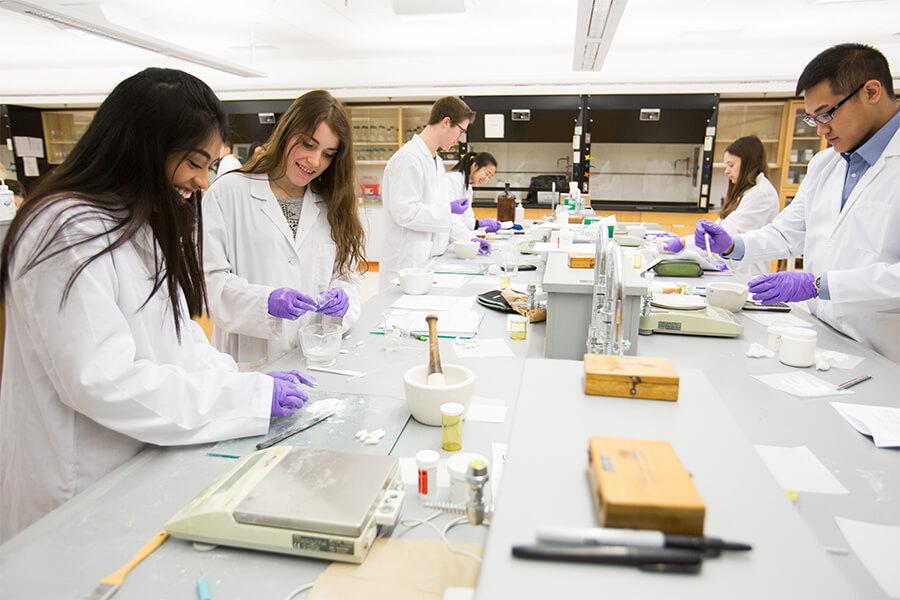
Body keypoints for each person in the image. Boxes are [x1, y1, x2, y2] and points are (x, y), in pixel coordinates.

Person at [0, 68, 314, 542]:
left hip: (141, 458)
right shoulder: (67, 228)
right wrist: (239, 399)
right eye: (194, 162)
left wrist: (239, 381)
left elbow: (178, 335)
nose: (204, 181)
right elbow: (100, 379)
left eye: (210, 165)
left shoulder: (138, 219)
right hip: (80, 483)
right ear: (144, 144)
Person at [698, 43, 900, 362]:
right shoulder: (825, 164)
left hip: (887, 354)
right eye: (812, 119)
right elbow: (787, 232)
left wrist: (821, 284)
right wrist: (733, 245)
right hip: (823, 338)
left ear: (872, 91)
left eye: (827, 113)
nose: (821, 129)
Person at [203, 90, 364, 365]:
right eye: (308, 145)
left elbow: (345, 275)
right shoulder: (229, 192)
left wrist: (344, 297)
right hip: (250, 363)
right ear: (287, 132)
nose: (315, 162)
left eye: (328, 154)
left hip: (313, 355)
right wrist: (265, 302)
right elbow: (210, 282)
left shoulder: (331, 203)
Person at [379, 96, 487, 287]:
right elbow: (405, 213)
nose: (459, 139)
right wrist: (448, 209)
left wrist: (470, 239)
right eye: (461, 131)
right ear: (446, 122)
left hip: (428, 262)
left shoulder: (436, 162)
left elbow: (447, 217)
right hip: (405, 266)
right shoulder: (408, 159)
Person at [664, 136, 779, 276]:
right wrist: (688, 240)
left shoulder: (762, 194)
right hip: (733, 268)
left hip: (748, 275)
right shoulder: (747, 192)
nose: (726, 171)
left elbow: (727, 233)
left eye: (731, 165)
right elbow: (720, 227)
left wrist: (683, 242)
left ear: (749, 163)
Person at [446, 151, 501, 238]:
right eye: (487, 173)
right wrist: (477, 227)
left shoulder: (469, 188)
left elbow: (467, 218)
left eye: (490, 177)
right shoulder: (453, 180)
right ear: (475, 166)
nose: (486, 179)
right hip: (446, 237)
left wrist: (480, 226)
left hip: (457, 237)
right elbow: (452, 219)